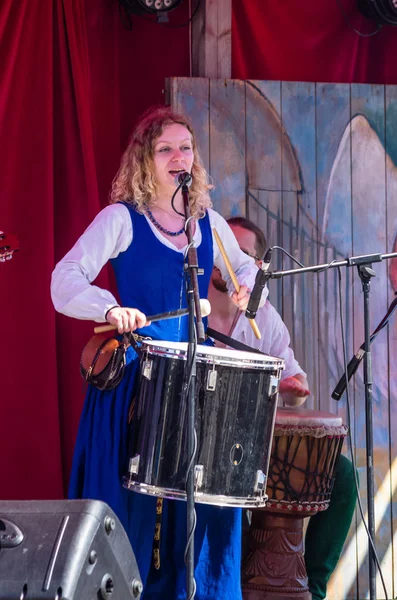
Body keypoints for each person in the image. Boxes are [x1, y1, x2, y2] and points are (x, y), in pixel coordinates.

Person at [51, 107, 268, 600]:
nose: (178, 157)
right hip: (140, 384)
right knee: (136, 514)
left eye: (185, 148)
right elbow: (62, 282)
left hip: (198, 385)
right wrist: (110, 307)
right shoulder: (121, 220)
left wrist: (246, 291)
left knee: (203, 507)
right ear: (144, 161)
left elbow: (250, 273)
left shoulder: (208, 223)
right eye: (165, 148)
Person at [208, 216, 357, 600]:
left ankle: (315, 586)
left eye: (241, 255)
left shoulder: (266, 320)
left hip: (260, 444)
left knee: (341, 477)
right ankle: (231, 584)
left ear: (255, 267)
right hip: (207, 446)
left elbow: (295, 387)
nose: (228, 262)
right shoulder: (192, 308)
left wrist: (295, 389)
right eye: (223, 251)